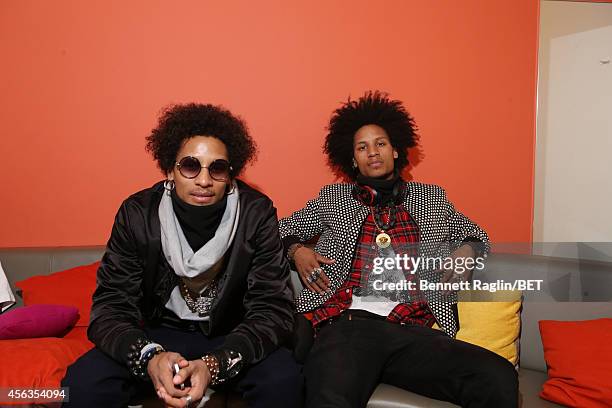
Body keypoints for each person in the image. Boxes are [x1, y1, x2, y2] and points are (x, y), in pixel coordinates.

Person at [279, 91, 518, 408]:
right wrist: (296, 249)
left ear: (395, 150)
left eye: (380, 144)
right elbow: (279, 229)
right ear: (353, 159)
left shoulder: (431, 198)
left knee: (497, 375)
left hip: (412, 331)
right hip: (348, 327)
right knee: (330, 398)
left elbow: (475, 234)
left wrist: (468, 250)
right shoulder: (333, 198)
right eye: (362, 147)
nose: (372, 153)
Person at [62, 103, 302, 408]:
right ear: (169, 169)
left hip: (230, 336)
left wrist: (213, 364)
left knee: (284, 381)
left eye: (217, 168)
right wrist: (150, 356)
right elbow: (110, 307)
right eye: (190, 166)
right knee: (82, 384)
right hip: (158, 334)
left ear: (230, 175)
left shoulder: (256, 213)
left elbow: (273, 310)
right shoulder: (137, 214)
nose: (204, 180)